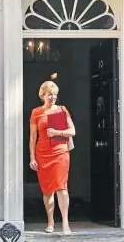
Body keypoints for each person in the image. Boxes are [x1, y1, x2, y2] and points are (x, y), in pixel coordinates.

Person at [29, 81, 76, 235]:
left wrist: (57, 132)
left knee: (62, 188)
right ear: (43, 95)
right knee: (47, 190)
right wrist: (32, 158)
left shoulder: (62, 110)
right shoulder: (36, 112)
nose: (53, 97)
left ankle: (65, 223)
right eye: (50, 94)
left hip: (61, 153)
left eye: (55, 94)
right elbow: (32, 137)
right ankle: (50, 222)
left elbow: (72, 131)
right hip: (42, 154)